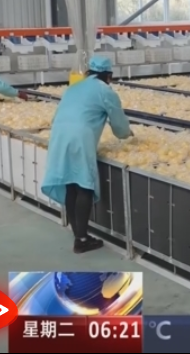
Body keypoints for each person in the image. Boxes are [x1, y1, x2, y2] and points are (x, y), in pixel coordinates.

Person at [40, 56, 132, 254]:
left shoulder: (73, 88)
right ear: (108, 75)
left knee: (70, 183)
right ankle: (81, 240)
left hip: (59, 135)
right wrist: (128, 135)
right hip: (79, 137)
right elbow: (119, 124)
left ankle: (78, 234)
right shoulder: (105, 90)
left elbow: (57, 116)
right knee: (84, 185)